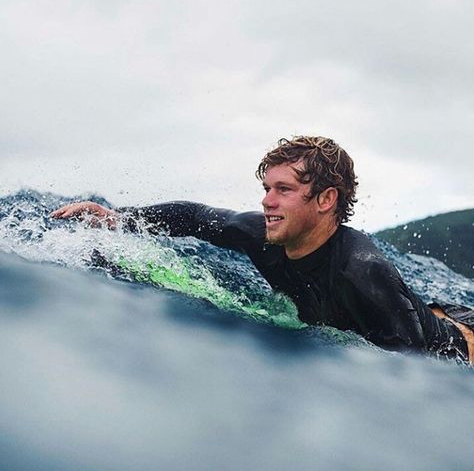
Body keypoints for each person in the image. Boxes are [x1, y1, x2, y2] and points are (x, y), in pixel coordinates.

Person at [50, 136, 474, 364]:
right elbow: (195, 215)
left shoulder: (362, 271)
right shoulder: (263, 234)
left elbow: (418, 366)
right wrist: (116, 218)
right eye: (267, 188)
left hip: (458, 345)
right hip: (415, 311)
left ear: (326, 200)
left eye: (283, 190)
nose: (267, 201)